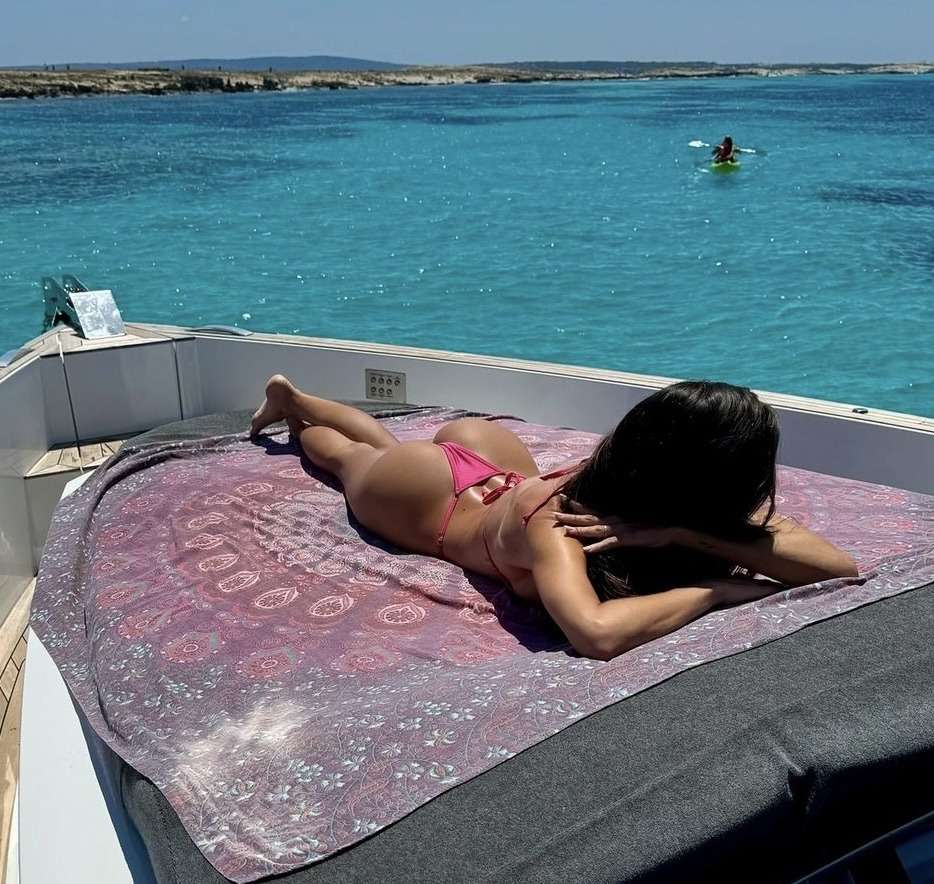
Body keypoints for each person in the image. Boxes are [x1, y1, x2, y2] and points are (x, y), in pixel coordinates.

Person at [250, 376, 857, 661]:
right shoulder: (564, 525)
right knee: (348, 459)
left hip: (503, 470)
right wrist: (715, 590)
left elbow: (838, 568)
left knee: (377, 450)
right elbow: (595, 634)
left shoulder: (664, 503)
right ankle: (294, 407)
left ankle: (298, 401)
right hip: (438, 499)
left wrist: (684, 534)